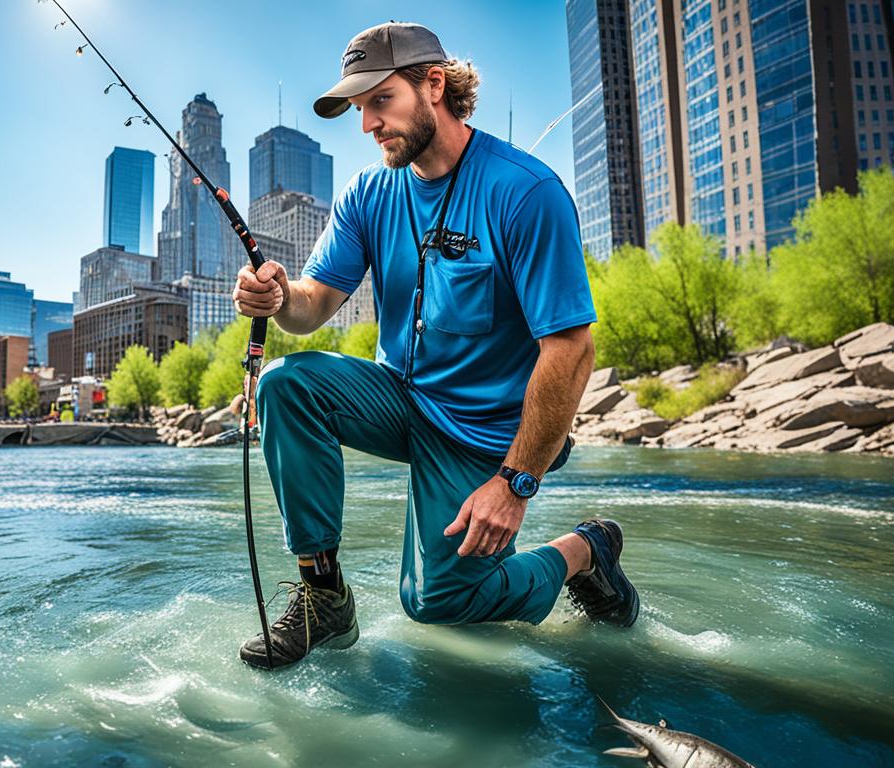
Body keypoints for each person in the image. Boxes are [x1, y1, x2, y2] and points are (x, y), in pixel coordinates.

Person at [231, 22, 639, 670]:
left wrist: (515, 483)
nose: (367, 122)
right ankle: (324, 595)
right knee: (287, 382)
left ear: (435, 84)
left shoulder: (525, 192)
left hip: (487, 431)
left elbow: (571, 350)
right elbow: (313, 307)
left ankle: (584, 550)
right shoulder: (366, 194)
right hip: (400, 397)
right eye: (358, 108)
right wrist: (280, 298)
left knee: (437, 603)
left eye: (379, 100)